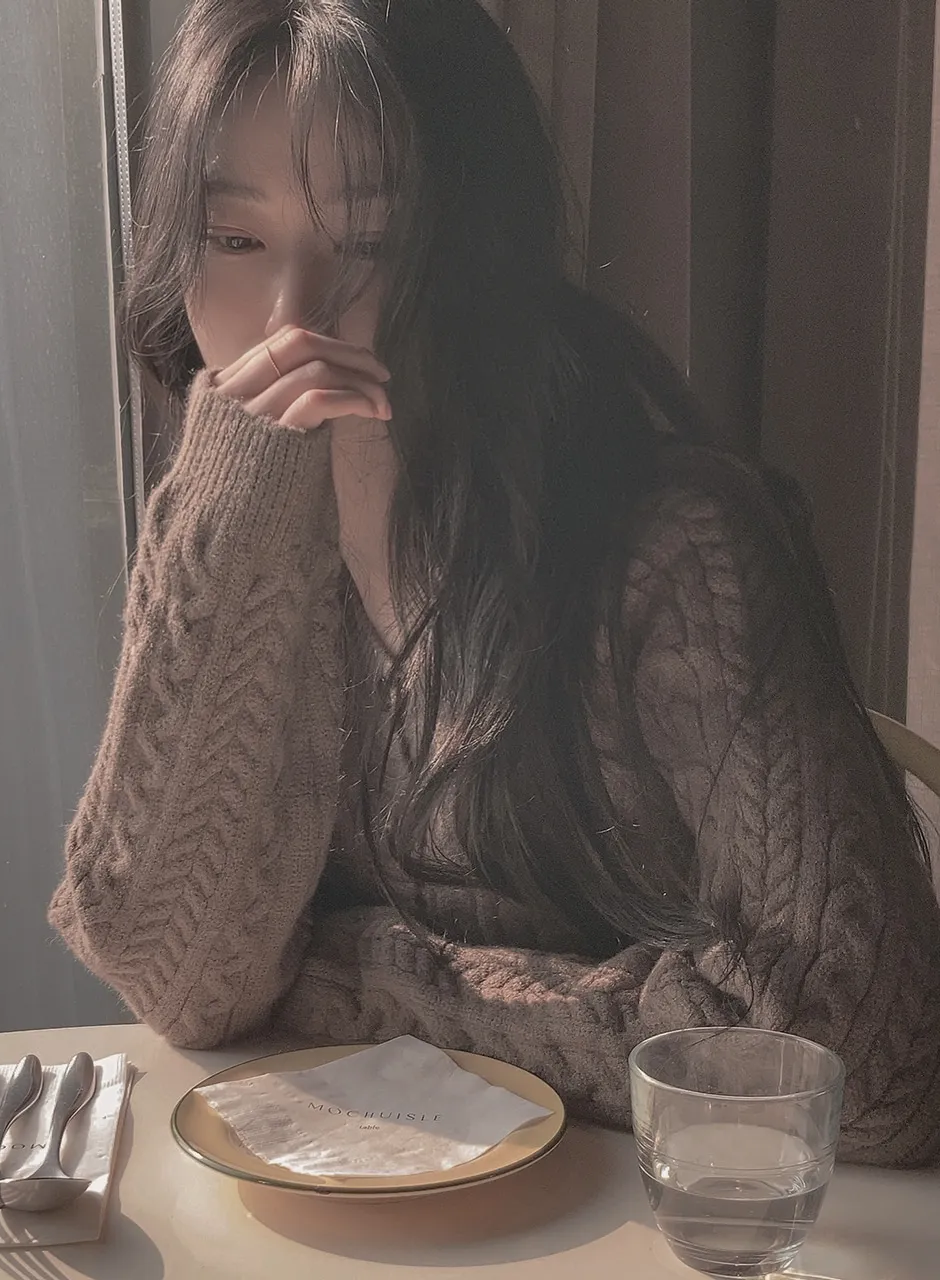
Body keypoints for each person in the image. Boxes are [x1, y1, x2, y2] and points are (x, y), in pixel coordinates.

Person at [49, 0, 940, 1166]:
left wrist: (352, 975)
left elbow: (860, 1069)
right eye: (234, 239)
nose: (292, 316)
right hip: (367, 1204)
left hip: (668, 1219)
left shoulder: (679, 551)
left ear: (473, 252)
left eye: (371, 243)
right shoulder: (229, 534)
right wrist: (222, 534)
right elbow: (180, 984)